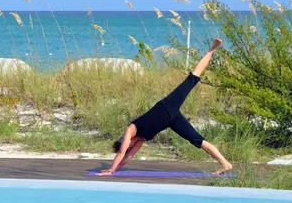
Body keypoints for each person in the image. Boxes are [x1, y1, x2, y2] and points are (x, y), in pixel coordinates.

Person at [97, 38, 232, 176]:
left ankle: (212, 49)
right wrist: (114, 170)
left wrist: (111, 169)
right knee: (197, 140)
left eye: (126, 146)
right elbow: (126, 157)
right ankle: (225, 164)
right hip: (172, 120)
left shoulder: (130, 130)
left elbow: (121, 153)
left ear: (124, 142)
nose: (128, 148)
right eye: (127, 148)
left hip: (167, 105)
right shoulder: (139, 141)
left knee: (191, 80)